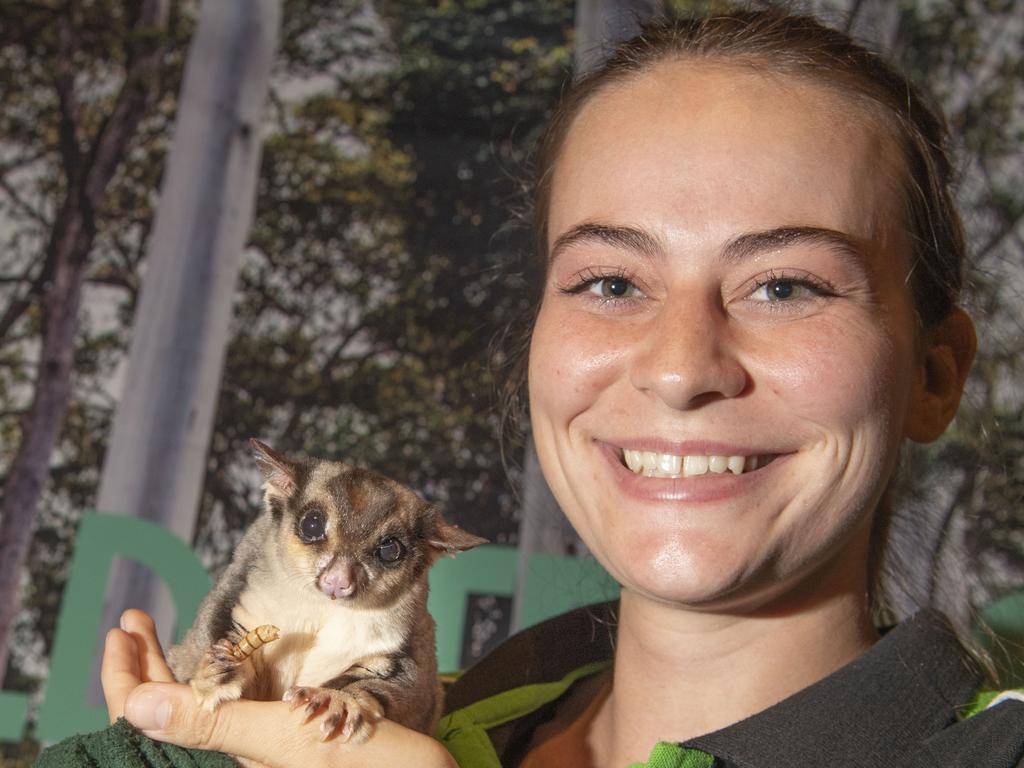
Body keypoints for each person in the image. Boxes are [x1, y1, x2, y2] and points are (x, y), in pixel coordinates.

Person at [68, 5, 1023, 768]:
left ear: (935, 374)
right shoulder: (394, 719)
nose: (681, 366)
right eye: (610, 282)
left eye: (785, 286)